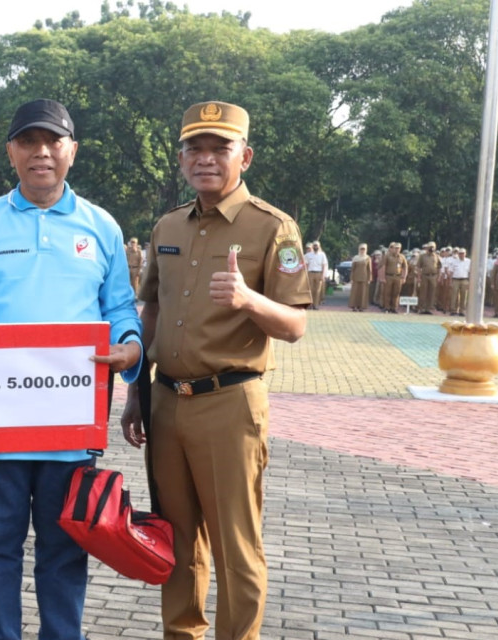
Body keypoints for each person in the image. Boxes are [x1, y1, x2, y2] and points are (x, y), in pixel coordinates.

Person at [0, 99, 143, 640]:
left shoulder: (101, 227)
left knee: (64, 550)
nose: (41, 152)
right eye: (28, 141)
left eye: (53, 141)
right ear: (11, 151)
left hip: (69, 424)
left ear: (72, 151)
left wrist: (129, 350)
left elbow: (120, 310)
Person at [121, 101, 310, 640]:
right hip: (166, 402)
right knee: (176, 542)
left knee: (235, 546)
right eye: (194, 149)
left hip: (229, 404)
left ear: (244, 156)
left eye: (219, 148)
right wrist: (137, 395)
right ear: (181, 159)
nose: (205, 159)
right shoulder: (167, 224)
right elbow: (150, 310)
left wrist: (250, 300)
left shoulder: (273, 227)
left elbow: (294, 325)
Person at [380, 242, 408, 313]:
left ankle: (394, 307)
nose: (397, 250)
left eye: (398, 248)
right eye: (395, 248)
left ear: (400, 249)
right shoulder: (387, 256)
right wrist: (383, 277)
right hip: (389, 276)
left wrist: (404, 277)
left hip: (398, 277)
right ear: (393, 249)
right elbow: (383, 266)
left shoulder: (402, 257)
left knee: (396, 293)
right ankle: (387, 307)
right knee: (387, 292)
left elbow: (405, 267)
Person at [417, 242, 441, 314]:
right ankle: (421, 308)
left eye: (433, 247)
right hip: (424, 276)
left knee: (431, 293)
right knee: (423, 292)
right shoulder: (422, 256)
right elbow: (418, 267)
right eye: (430, 247)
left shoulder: (437, 256)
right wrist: (419, 277)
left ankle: (428, 308)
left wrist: (438, 277)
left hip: (433, 276)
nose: (432, 248)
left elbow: (439, 267)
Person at [348, 243, 372, 311]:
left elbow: (369, 269)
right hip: (356, 278)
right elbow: (353, 269)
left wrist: (369, 278)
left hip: (364, 278)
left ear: (366, 249)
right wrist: (351, 278)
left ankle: (361, 307)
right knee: (355, 292)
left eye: (364, 249)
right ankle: (354, 306)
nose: (362, 250)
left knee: (363, 293)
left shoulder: (368, 258)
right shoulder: (356, 258)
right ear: (359, 249)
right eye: (361, 249)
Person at [448, 247, 471, 316]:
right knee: (454, 295)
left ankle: (462, 311)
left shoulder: (469, 261)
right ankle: (453, 310)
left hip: (464, 279)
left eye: (463, 253)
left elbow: (470, 272)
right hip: (455, 280)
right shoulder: (454, 261)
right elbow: (451, 271)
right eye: (460, 253)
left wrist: (470, 282)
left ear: (465, 254)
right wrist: (450, 281)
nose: (461, 255)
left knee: (464, 296)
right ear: (458, 254)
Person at [305, 241, 327, 309]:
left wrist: (323, 275)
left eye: (316, 245)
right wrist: (305, 275)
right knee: (310, 289)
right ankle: (309, 304)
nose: (315, 247)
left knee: (317, 290)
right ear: (313, 247)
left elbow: (324, 265)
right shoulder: (308, 255)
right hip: (310, 273)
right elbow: (306, 265)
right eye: (314, 245)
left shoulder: (322, 254)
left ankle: (316, 305)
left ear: (319, 246)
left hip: (319, 273)